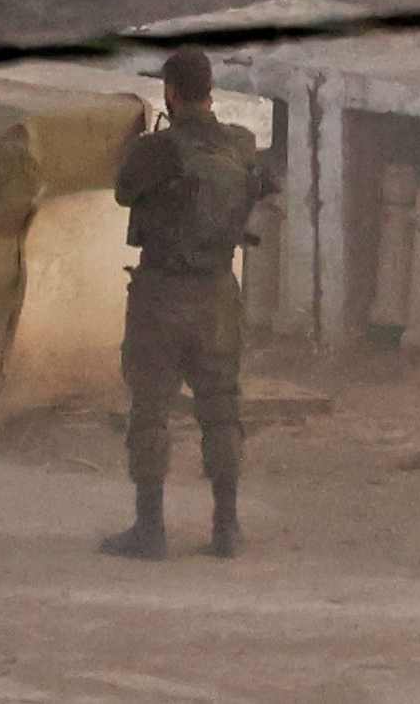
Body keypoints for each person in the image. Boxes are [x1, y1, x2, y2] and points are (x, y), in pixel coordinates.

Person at [104, 48, 274, 561]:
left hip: (161, 294)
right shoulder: (240, 144)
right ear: (210, 92)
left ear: (172, 93)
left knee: (151, 410)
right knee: (221, 408)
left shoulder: (158, 150)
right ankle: (226, 526)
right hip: (219, 292)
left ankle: (150, 528)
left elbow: (123, 191)